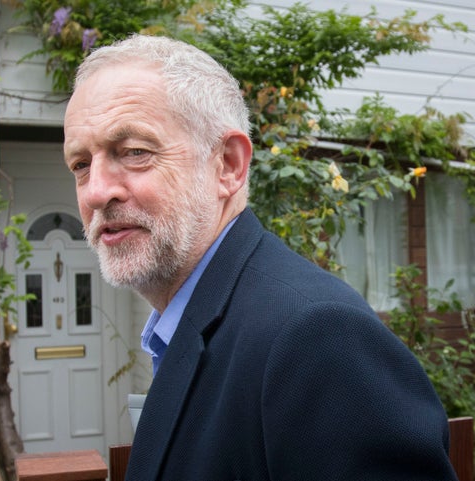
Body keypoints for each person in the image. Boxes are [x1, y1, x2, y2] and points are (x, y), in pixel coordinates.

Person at [63, 34, 457, 481]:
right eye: (80, 164)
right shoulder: (191, 327)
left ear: (228, 165)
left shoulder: (317, 337)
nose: (96, 191)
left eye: (134, 152)